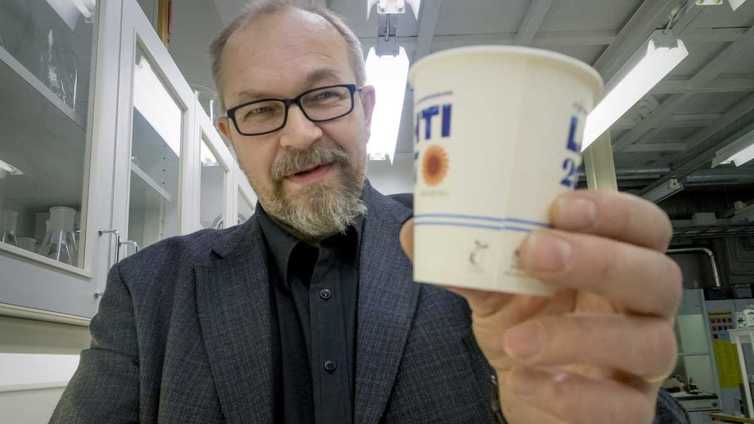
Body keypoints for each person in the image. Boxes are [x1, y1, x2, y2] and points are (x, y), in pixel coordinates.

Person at [51, 1, 689, 423]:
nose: (300, 134)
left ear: (367, 109)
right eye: (262, 110)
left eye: (325, 95)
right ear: (230, 135)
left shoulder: (483, 257)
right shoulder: (148, 293)